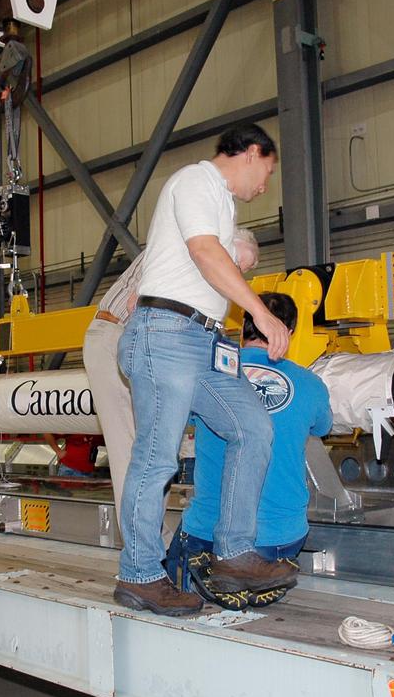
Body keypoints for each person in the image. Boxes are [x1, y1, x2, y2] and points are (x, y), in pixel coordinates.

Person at [114, 123, 293, 617]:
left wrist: (244, 245)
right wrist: (259, 309)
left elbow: (224, 248)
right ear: (253, 152)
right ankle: (139, 575)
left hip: (205, 339)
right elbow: (205, 250)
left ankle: (234, 551)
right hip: (166, 334)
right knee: (157, 459)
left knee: (254, 428)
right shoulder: (195, 180)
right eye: (268, 172)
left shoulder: (221, 203)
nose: (265, 185)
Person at [166, 293, 332, 609]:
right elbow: (322, 428)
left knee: (171, 554)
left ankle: (211, 577)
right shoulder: (311, 385)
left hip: (208, 535)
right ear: (290, 333)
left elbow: (176, 417)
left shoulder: (209, 375)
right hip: (280, 538)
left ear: (243, 327)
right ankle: (254, 581)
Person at [84, 228, 261, 513]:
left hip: (135, 344)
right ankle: (144, 550)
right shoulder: (183, 252)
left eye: (243, 271)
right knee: (134, 453)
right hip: (117, 337)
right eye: (239, 264)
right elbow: (138, 304)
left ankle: (152, 545)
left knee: (154, 452)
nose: (236, 274)